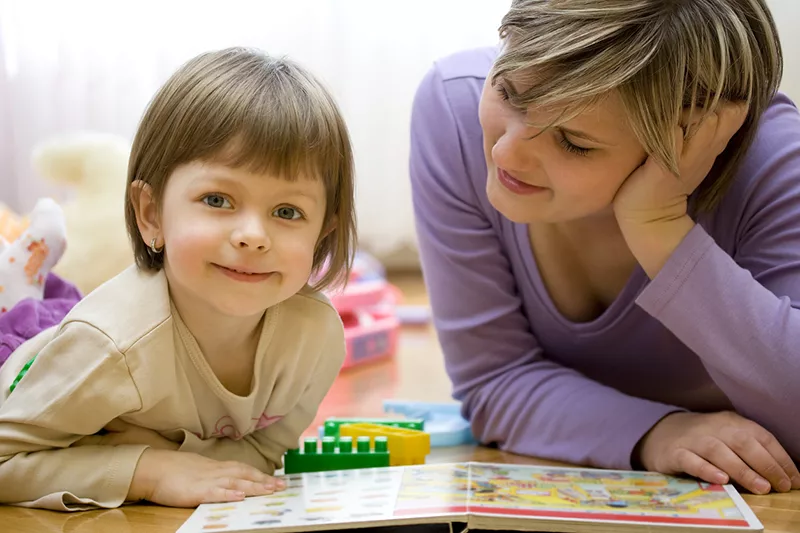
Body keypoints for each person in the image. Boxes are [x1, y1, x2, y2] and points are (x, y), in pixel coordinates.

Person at [409, 0, 800, 496]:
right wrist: (656, 433)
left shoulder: (767, 161)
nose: (505, 152)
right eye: (507, 91)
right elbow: (494, 380)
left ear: (692, 135)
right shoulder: (453, 109)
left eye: (574, 142)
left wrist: (659, 227)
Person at [0, 47, 356, 511]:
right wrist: (149, 470)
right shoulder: (110, 347)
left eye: (287, 211)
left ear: (323, 230)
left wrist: (167, 451)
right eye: (217, 200)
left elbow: (264, 454)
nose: (252, 236)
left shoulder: (315, 338)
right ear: (151, 214)